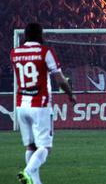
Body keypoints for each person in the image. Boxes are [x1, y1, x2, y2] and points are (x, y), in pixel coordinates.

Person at [11, 23, 76, 184]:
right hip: (40, 105)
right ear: (40, 35)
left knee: (30, 146)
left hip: (21, 105)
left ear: (25, 35)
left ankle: (35, 182)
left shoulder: (15, 52)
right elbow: (60, 79)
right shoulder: (45, 52)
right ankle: (27, 171)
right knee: (45, 147)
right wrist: (70, 94)